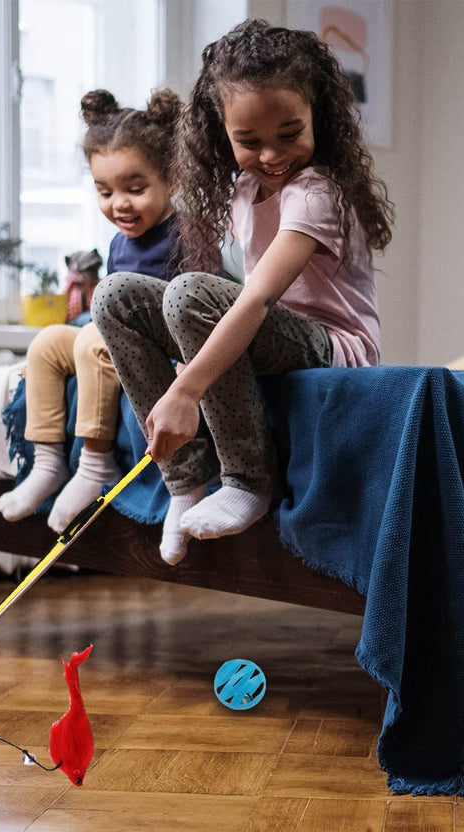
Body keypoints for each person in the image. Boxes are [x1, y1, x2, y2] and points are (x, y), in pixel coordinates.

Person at [91, 19, 393, 565]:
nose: (272, 155)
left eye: (289, 134)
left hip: (333, 346)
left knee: (190, 294)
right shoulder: (243, 189)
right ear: (221, 132)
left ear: (318, 118)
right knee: (116, 296)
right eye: (249, 141)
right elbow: (228, 296)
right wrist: (193, 351)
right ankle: (185, 483)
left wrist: (187, 390)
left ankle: (249, 480)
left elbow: (254, 299)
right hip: (273, 336)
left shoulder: (316, 192)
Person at [0, 87, 182, 532]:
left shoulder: (185, 236)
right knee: (47, 343)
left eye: (135, 189)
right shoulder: (119, 243)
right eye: (105, 191)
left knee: (94, 342)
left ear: (172, 179)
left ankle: (96, 465)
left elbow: (198, 309)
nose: (119, 203)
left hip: (154, 349)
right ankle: (47, 463)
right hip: (112, 338)